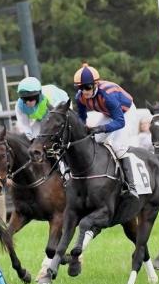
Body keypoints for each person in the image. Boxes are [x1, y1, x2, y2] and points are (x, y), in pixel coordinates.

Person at [73, 63, 138, 197]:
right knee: (92, 140)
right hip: (107, 114)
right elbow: (81, 117)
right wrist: (83, 129)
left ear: (95, 84)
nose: (85, 91)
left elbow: (120, 121)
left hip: (126, 113)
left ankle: (131, 186)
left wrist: (101, 128)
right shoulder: (79, 97)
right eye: (81, 88)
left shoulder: (107, 95)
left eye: (88, 87)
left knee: (117, 147)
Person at [14, 77, 70, 142]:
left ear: (39, 94)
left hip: (63, 106)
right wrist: (31, 140)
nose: (28, 102)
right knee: (36, 137)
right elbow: (25, 126)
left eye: (31, 98)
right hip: (42, 118)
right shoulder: (20, 106)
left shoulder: (51, 97)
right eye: (24, 99)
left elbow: (59, 118)